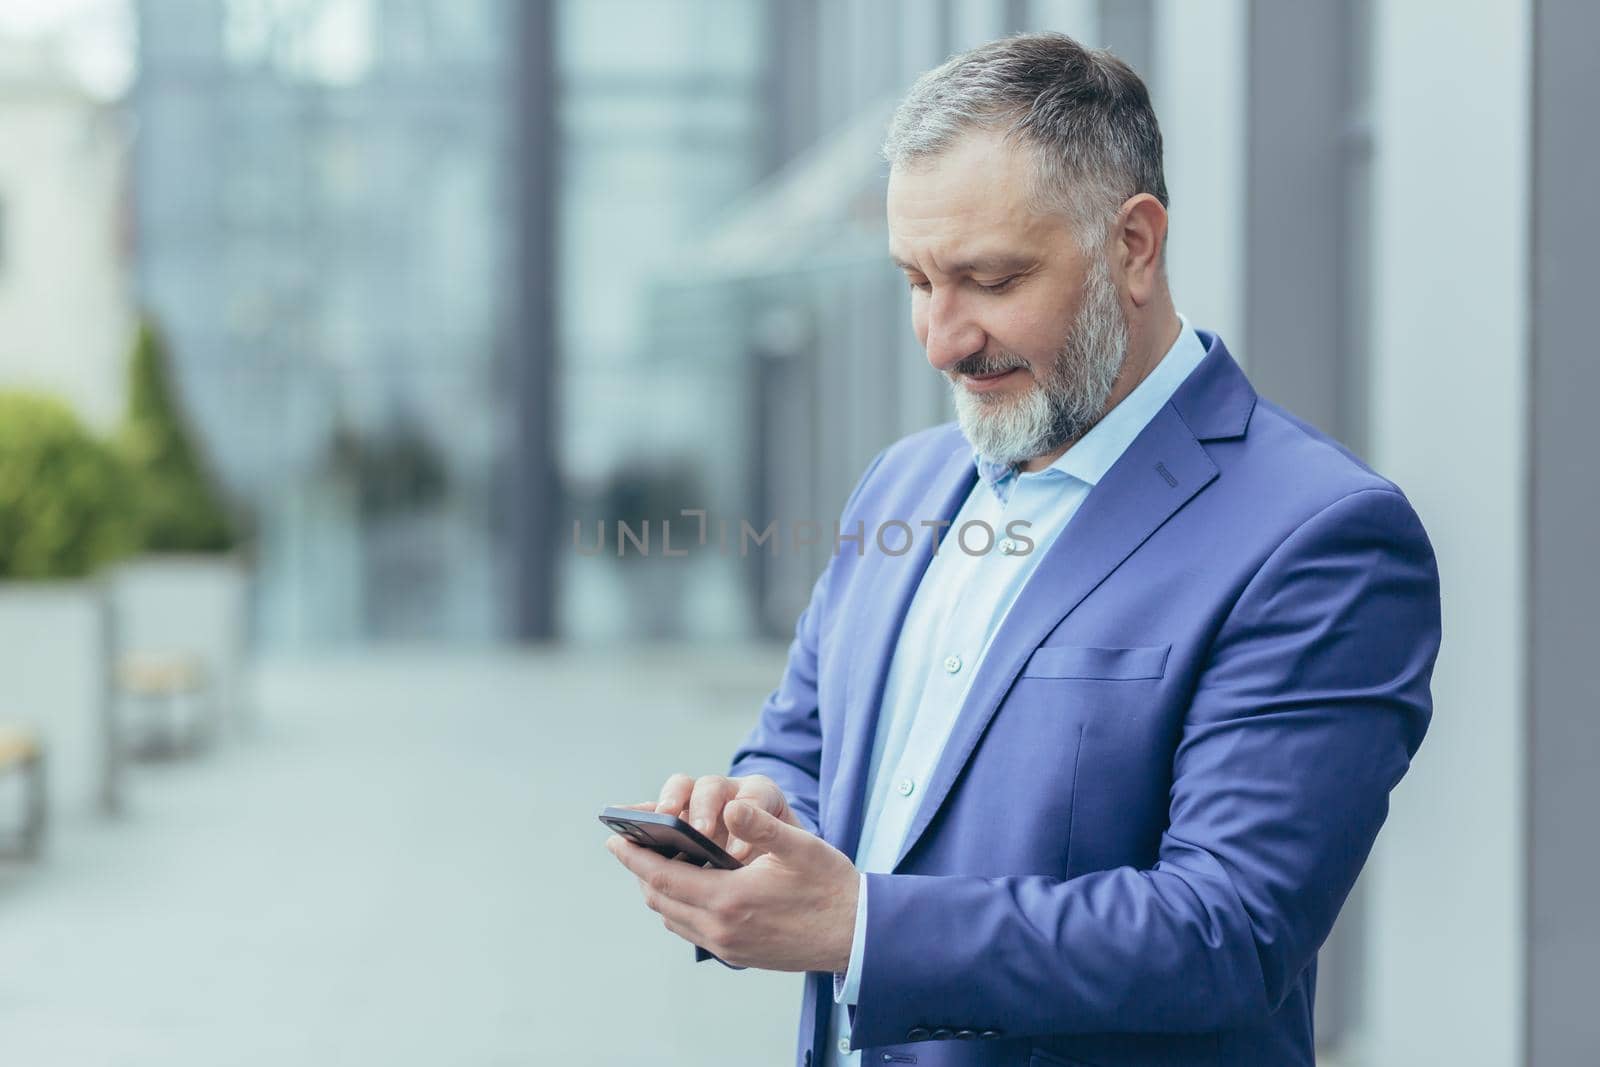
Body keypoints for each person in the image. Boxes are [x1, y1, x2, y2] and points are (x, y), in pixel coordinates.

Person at [604, 30, 1441, 1067]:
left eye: (990, 280)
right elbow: (807, 741)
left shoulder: (1321, 537)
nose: (942, 337)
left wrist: (860, 924)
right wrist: (762, 812)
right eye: (915, 280)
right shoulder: (904, 480)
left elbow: (1226, 932)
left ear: (1132, 246)